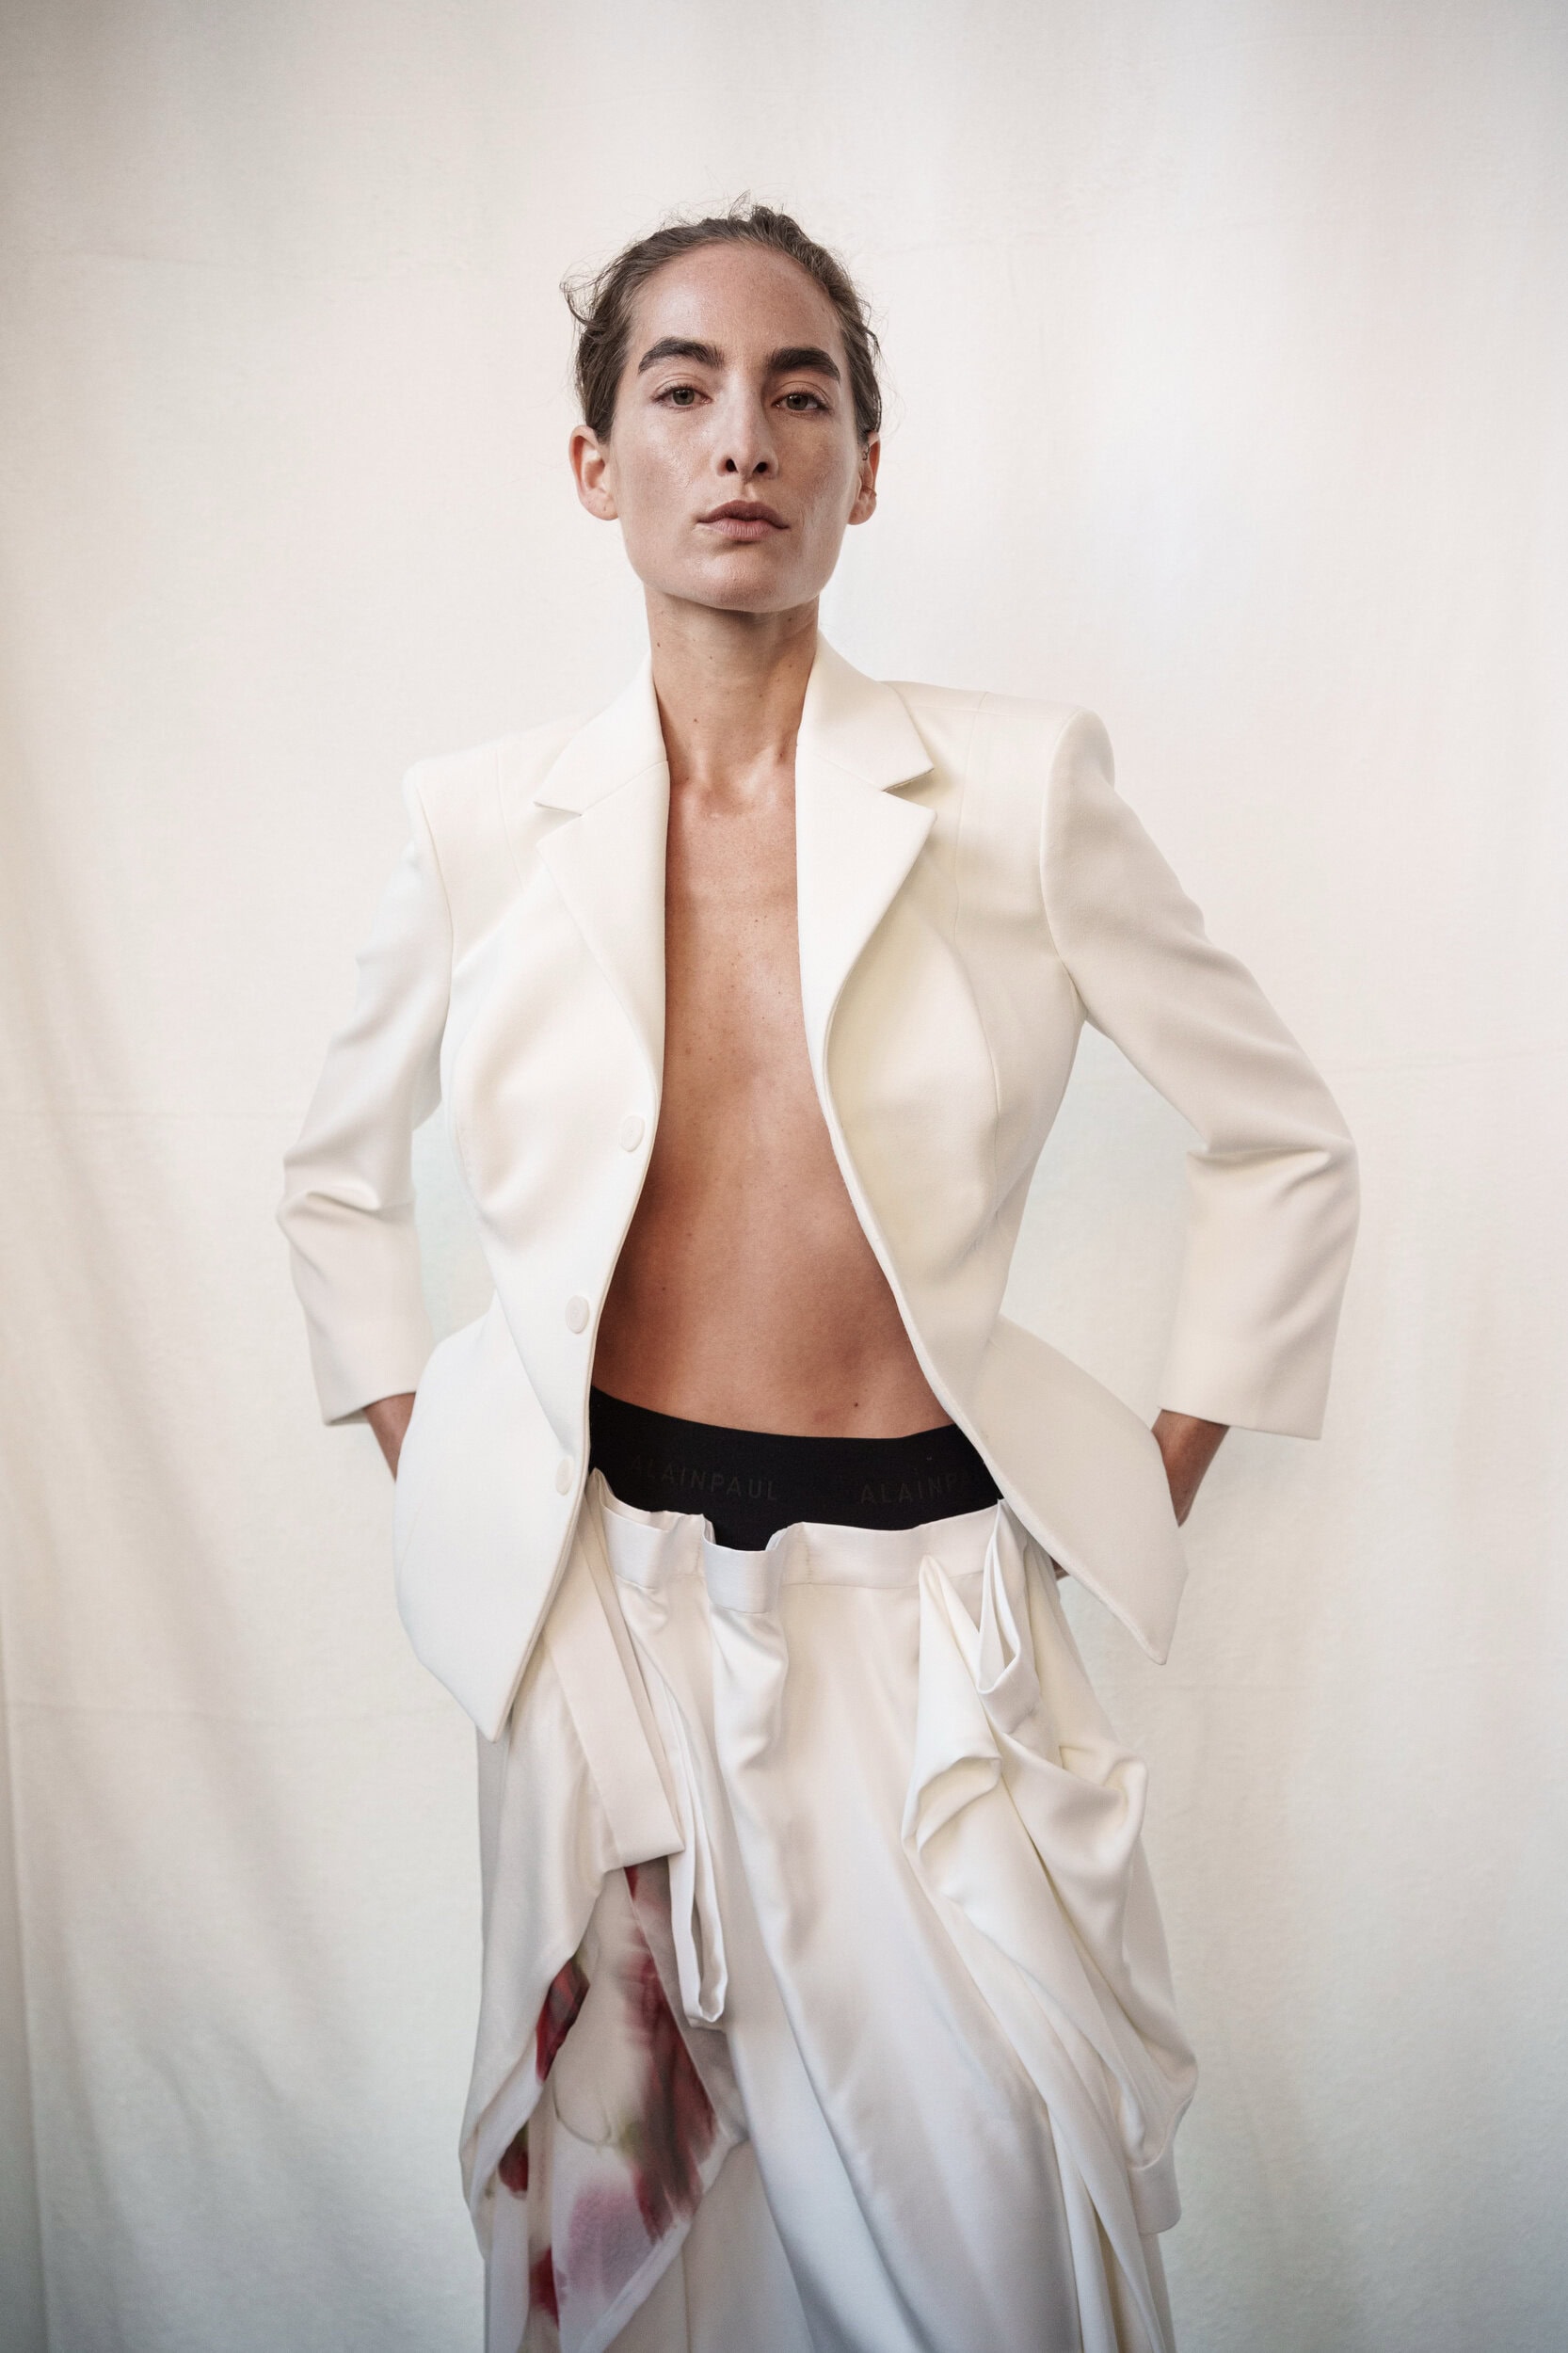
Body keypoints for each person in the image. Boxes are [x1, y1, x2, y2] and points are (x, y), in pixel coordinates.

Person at [278, 201, 1358, 2353]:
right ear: (594, 460)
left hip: (931, 1624)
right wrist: (447, 1489)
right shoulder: (481, 817)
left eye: (800, 395)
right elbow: (329, 1181)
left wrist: (1133, 1480)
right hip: (600, 1620)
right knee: (620, 2262)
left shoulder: (1015, 788)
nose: (739, 441)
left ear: (865, 468)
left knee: (1000, 2251)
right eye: (678, 388)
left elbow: (1282, 1137)